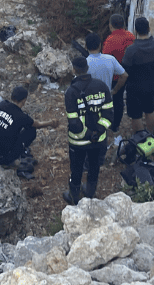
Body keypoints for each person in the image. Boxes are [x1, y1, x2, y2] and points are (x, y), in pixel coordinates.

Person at [63, 55, 114, 205]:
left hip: (78, 141)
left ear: (74, 70)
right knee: (94, 167)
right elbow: (109, 113)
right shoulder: (101, 86)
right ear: (87, 68)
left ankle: (74, 196)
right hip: (98, 139)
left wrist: (86, 134)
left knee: (76, 169)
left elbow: (73, 121)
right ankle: (90, 193)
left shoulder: (71, 92)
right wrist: (97, 131)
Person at [0, 86, 59, 176]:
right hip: (2, 158)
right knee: (31, 130)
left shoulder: (2, 105)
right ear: (24, 100)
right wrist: (51, 123)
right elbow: (38, 125)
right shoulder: (21, 116)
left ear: (12, 97)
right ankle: (11, 160)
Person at [122, 17, 154, 136]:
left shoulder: (131, 50)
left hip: (134, 87)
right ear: (149, 28)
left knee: (136, 115)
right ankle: (151, 135)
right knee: (150, 110)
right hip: (151, 84)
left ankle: (140, 139)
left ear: (135, 31)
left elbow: (125, 71)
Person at [103, 14, 135, 134]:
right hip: (130, 73)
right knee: (120, 100)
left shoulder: (110, 41)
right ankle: (118, 124)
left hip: (116, 76)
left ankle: (112, 125)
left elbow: (106, 59)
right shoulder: (131, 36)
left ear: (111, 25)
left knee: (114, 99)